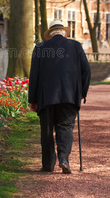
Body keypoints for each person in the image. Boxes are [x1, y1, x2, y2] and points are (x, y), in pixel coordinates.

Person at [28, 20, 91, 174]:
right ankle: (63, 158)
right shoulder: (76, 46)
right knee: (65, 126)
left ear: (50, 34)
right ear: (64, 33)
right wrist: (82, 92)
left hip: (46, 96)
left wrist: (33, 99)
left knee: (47, 130)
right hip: (69, 95)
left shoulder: (40, 48)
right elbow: (86, 71)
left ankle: (48, 165)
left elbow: (34, 76)